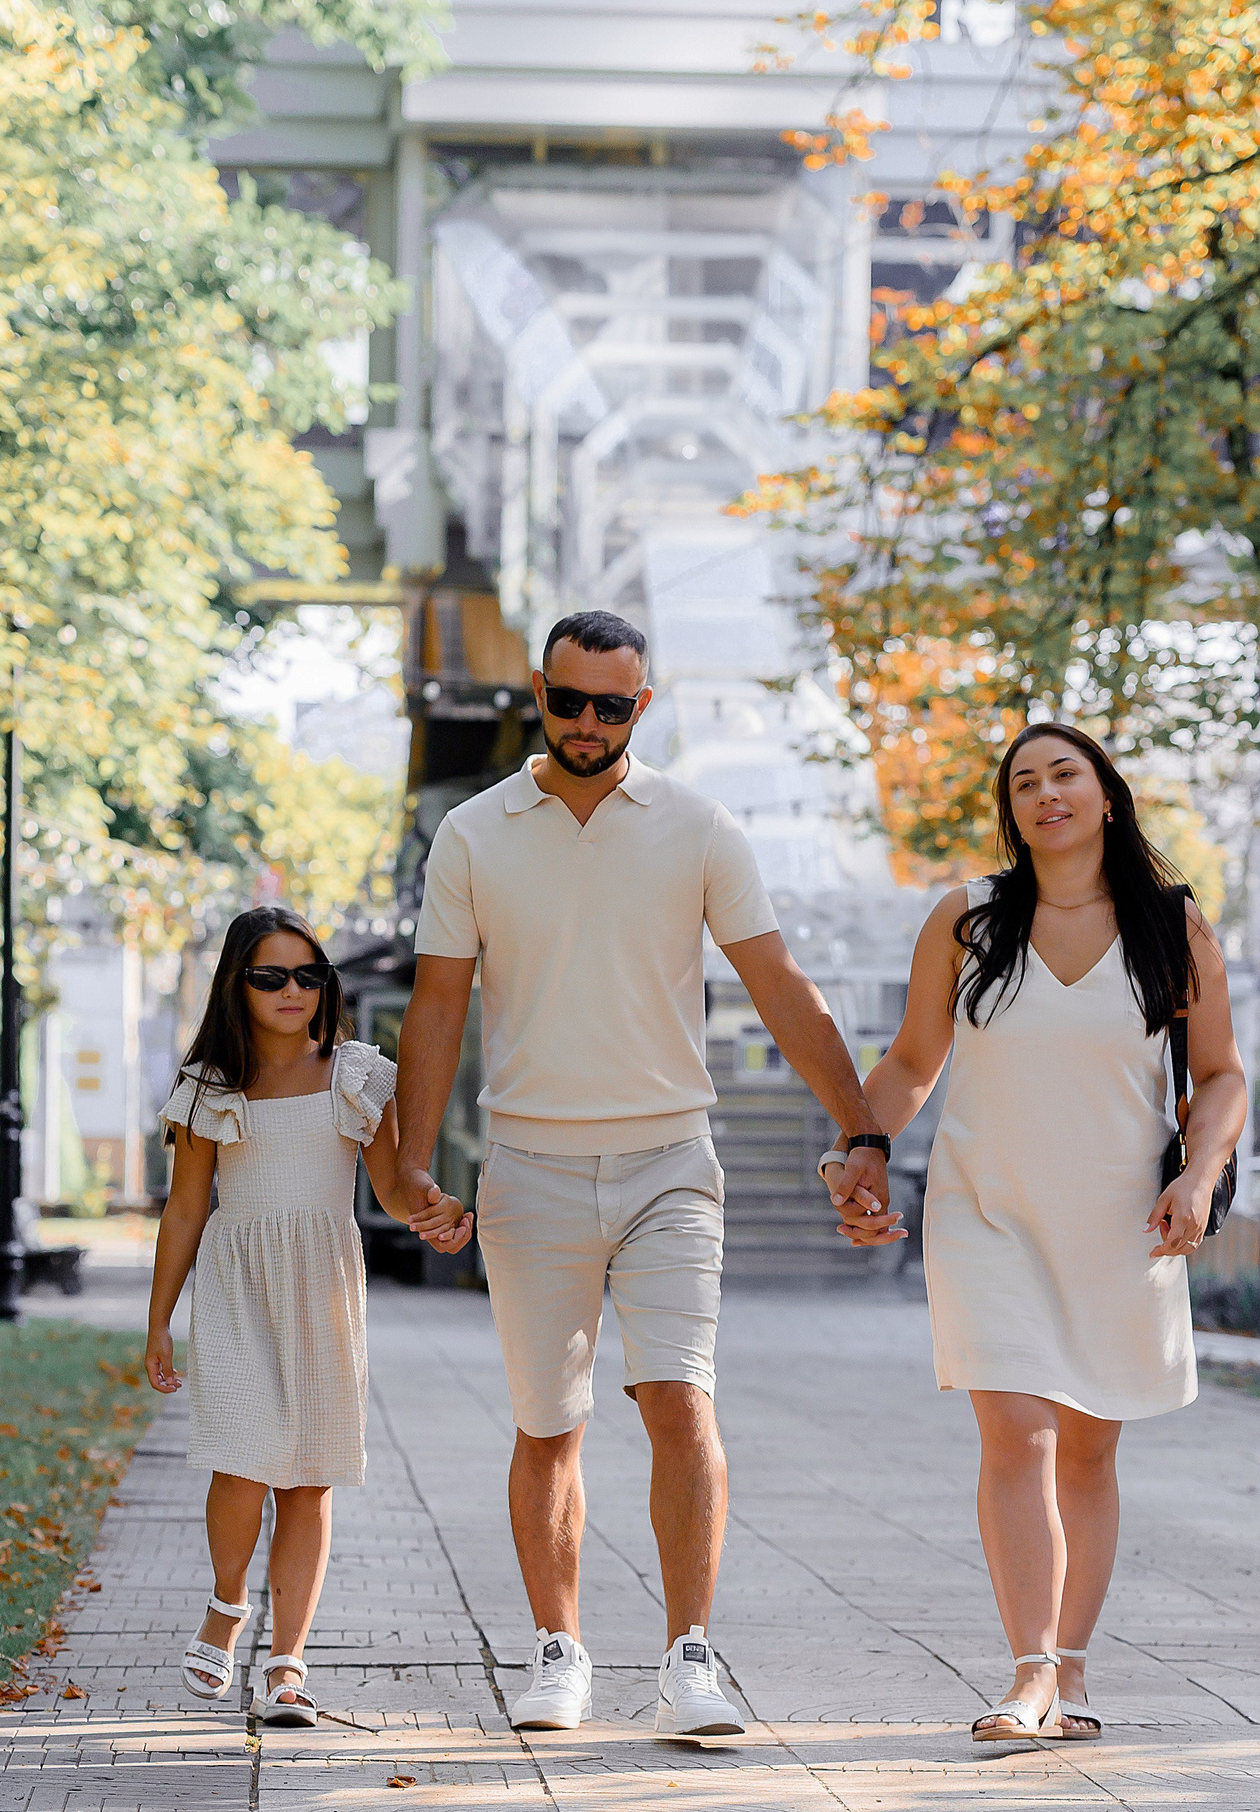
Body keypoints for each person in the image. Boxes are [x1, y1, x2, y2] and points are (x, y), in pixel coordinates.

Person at [395, 610, 897, 1738]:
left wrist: (860, 1129)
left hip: (672, 1157)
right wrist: (410, 1164)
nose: (584, 723)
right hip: (529, 1162)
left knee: (680, 1400)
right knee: (549, 1423)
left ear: (642, 707)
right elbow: (436, 1004)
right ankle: (558, 1652)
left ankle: (690, 1658)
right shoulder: (476, 833)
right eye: (566, 701)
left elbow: (778, 984)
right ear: (540, 693)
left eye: (609, 706)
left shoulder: (699, 827)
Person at [828, 722, 1245, 1743]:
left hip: (1120, 1222)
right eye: (1023, 782)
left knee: (1088, 1454)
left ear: (1107, 795)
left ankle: (1071, 1663)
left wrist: (1199, 1173)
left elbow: (1223, 1073)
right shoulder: (967, 920)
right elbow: (913, 1059)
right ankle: (1027, 1674)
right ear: (1010, 810)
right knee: (1019, 1432)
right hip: (987, 1211)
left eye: (1065, 774)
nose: (1044, 793)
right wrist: (861, 1144)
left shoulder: (1171, 925)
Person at [144, 906, 472, 1725]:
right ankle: (227, 1606)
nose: (292, 990)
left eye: (308, 974)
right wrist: (158, 1319)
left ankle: (288, 1665)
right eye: (269, 976)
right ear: (237, 985)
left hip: (322, 1282)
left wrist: (430, 1210)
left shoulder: (356, 1073)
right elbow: (185, 1212)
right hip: (236, 1284)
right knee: (241, 1461)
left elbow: (393, 1187)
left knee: (309, 1477)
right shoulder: (208, 1087)